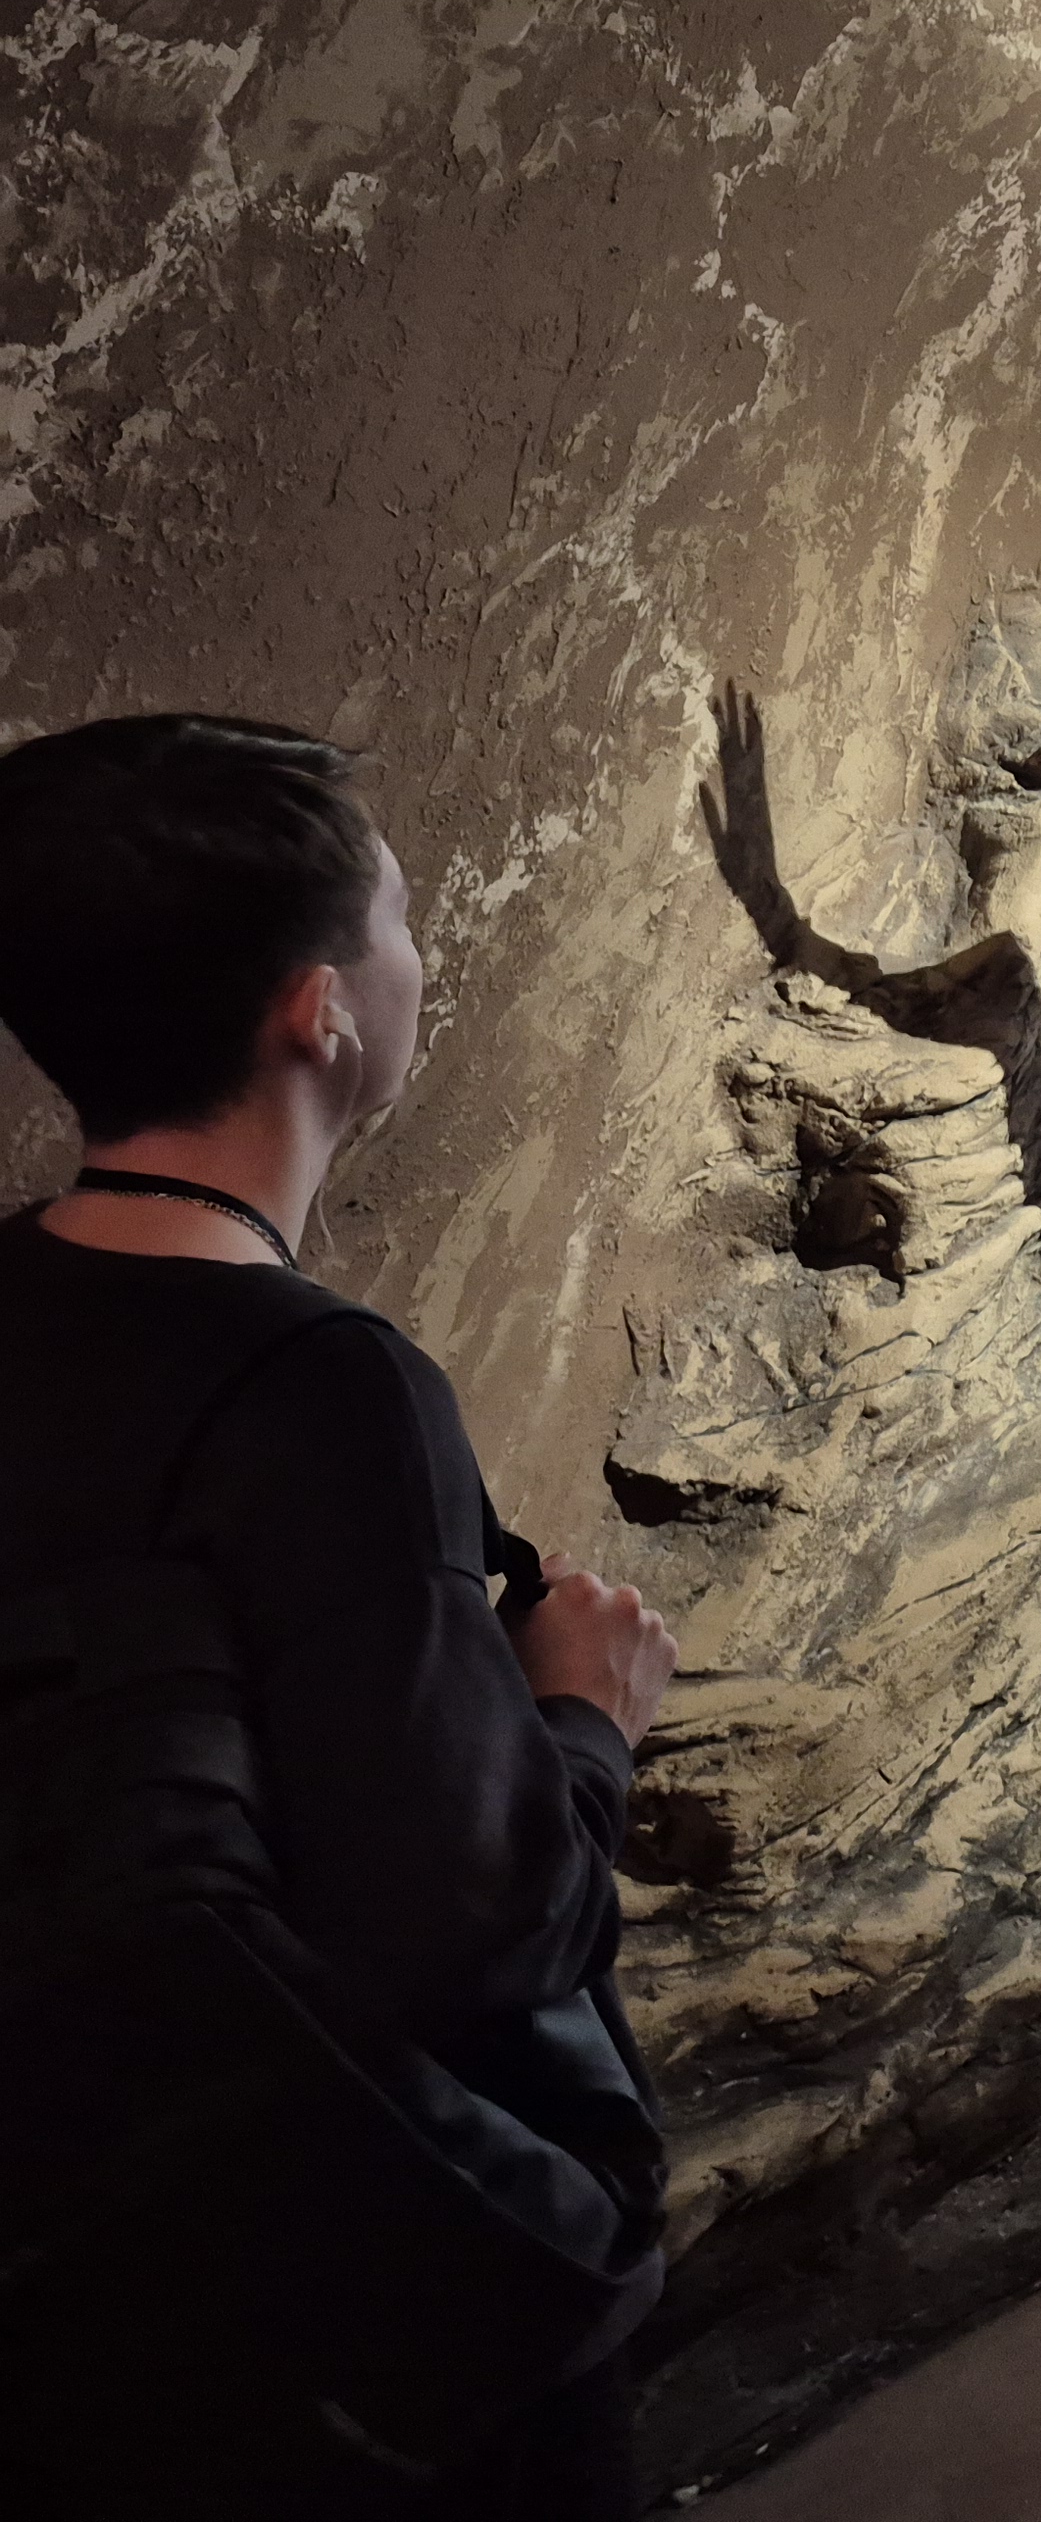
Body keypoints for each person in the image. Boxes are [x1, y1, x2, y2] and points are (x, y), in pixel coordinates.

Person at [0, 714, 677, 2517]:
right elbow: (472, 1924)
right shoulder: (325, 1391)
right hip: (338, 2304)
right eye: (397, 917)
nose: (416, 952)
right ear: (322, 1015)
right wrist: (586, 1714)